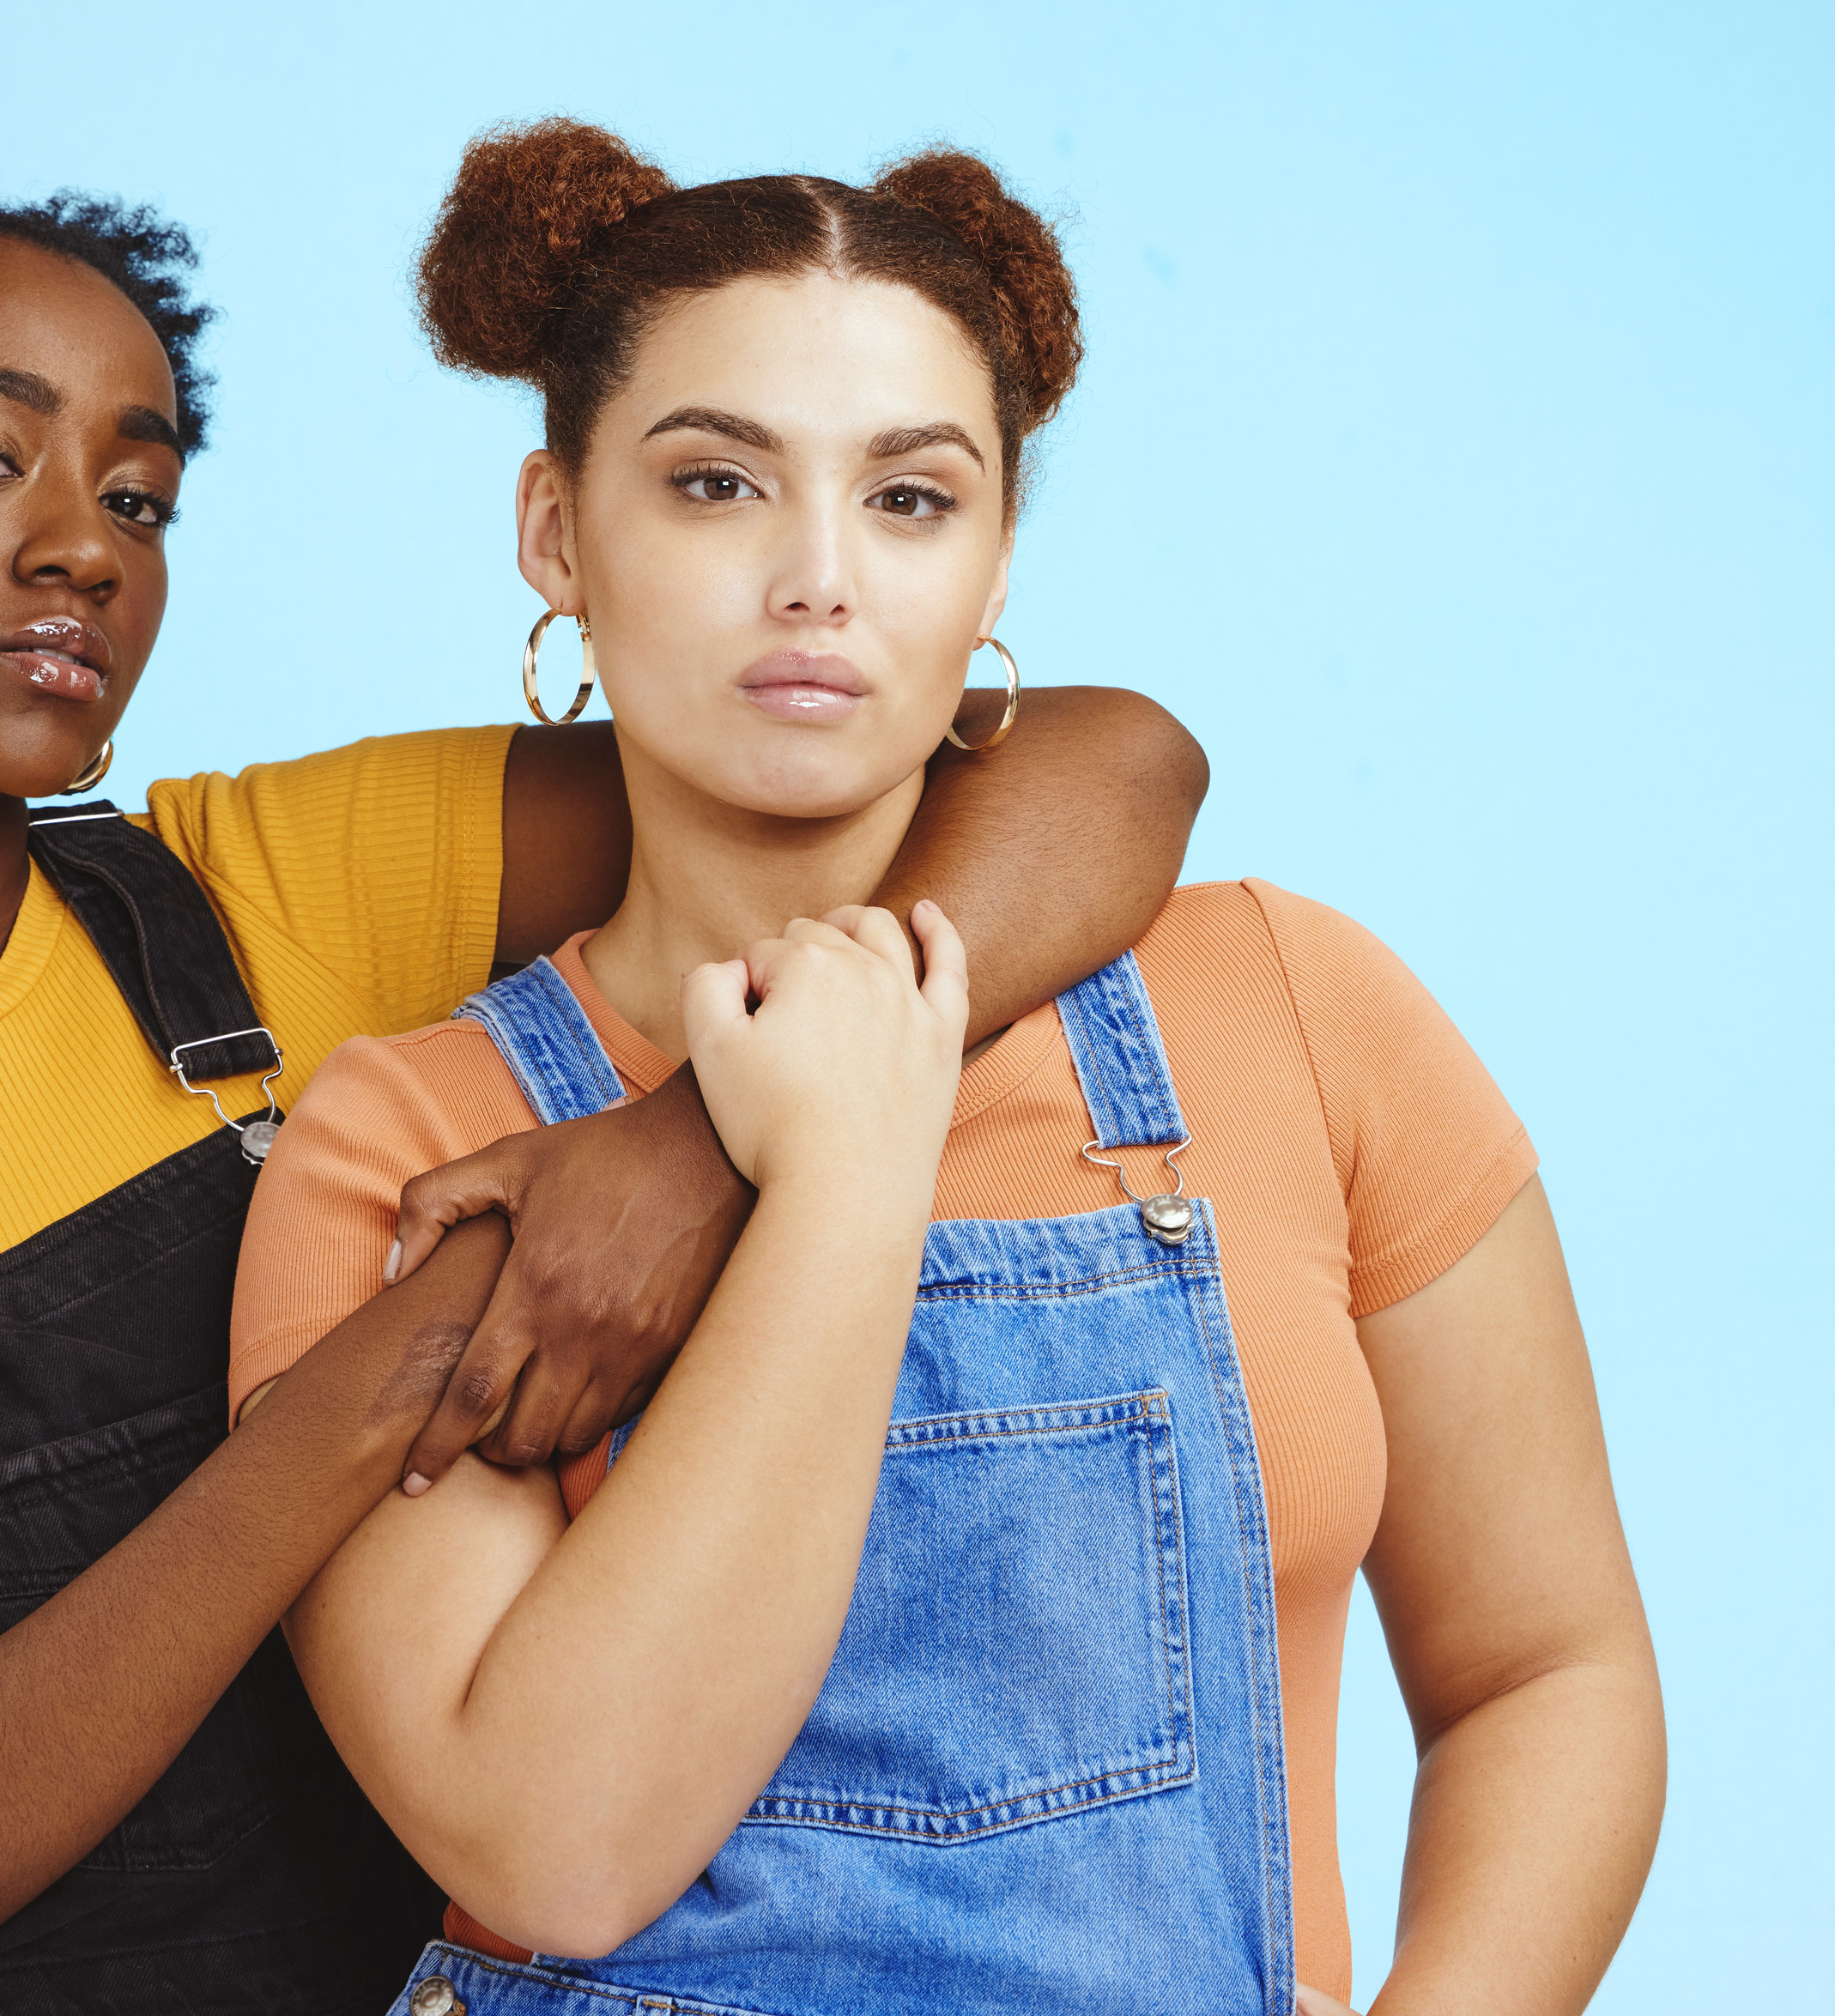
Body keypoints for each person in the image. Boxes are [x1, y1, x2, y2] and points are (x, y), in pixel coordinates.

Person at [0, 84, 1209, 2016]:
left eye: (135, 493)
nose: (81, 548)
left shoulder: (266, 891)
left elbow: (1093, 759)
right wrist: (406, 1356)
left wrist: (688, 1152)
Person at [231, 121, 1666, 2016]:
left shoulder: (1298, 1008)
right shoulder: (415, 1140)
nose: (818, 578)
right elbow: (555, 1837)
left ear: (997, 563)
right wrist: (827, 1165)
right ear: (556, 534)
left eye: (910, 499)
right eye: (717, 481)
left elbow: (1550, 1668)